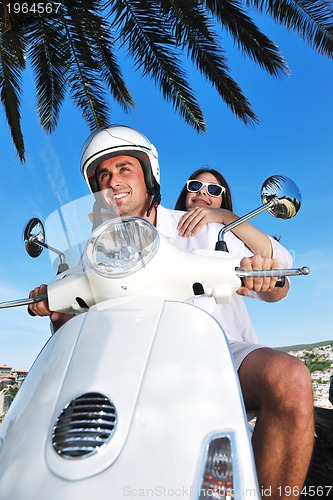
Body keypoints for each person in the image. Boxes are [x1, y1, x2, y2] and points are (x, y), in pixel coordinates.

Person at [28, 125, 314, 499]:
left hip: (212, 349)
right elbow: (72, 323)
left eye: (124, 169)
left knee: (289, 379)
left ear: (148, 176)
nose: (114, 181)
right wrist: (53, 303)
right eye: (104, 175)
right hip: (125, 361)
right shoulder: (94, 248)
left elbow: (278, 284)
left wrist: (265, 279)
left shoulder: (195, 226)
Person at [173, 167, 277, 344]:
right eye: (195, 185)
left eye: (213, 190)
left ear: (223, 200)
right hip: (172, 336)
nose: (202, 191)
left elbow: (277, 261)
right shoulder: (160, 228)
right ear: (186, 192)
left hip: (227, 341)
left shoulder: (229, 236)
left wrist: (225, 217)